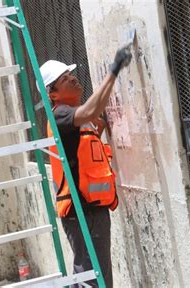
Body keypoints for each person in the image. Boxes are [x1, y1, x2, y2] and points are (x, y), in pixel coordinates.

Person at [40, 45, 132, 288]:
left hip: (92, 208)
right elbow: (92, 109)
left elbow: (95, 119)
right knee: (94, 279)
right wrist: (114, 70)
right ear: (53, 94)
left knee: (91, 276)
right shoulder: (60, 116)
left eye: (73, 75)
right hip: (80, 210)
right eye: (66, 79)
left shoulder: (79, 118)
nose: (74, 80)